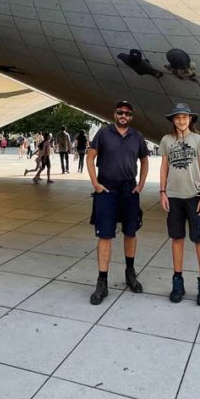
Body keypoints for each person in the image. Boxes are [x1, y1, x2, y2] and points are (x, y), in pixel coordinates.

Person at [87, 100, 149, 305]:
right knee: (105, 235)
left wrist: (140, 184)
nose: (124, 116)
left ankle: (130, 273)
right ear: (114, 114)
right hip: (107, 188)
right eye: (120, 112)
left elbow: (145, 159)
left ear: (131, 117)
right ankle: (102, 282)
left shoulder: (137, 136)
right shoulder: (104, 133)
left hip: (129, 188)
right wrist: (95, 183)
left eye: (127, 113)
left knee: (130, 232)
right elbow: (90, 156)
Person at [159, 103, 200, 306]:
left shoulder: (199, 140)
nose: (181, 121)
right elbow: (164, 167)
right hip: (173, 197)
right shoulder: (166, 140)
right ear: (173, 120)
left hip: (195, 196)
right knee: (177, 239)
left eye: (185, 117)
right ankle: (178, 282)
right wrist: (162, 192)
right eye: (177, 117)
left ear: (191, 119)